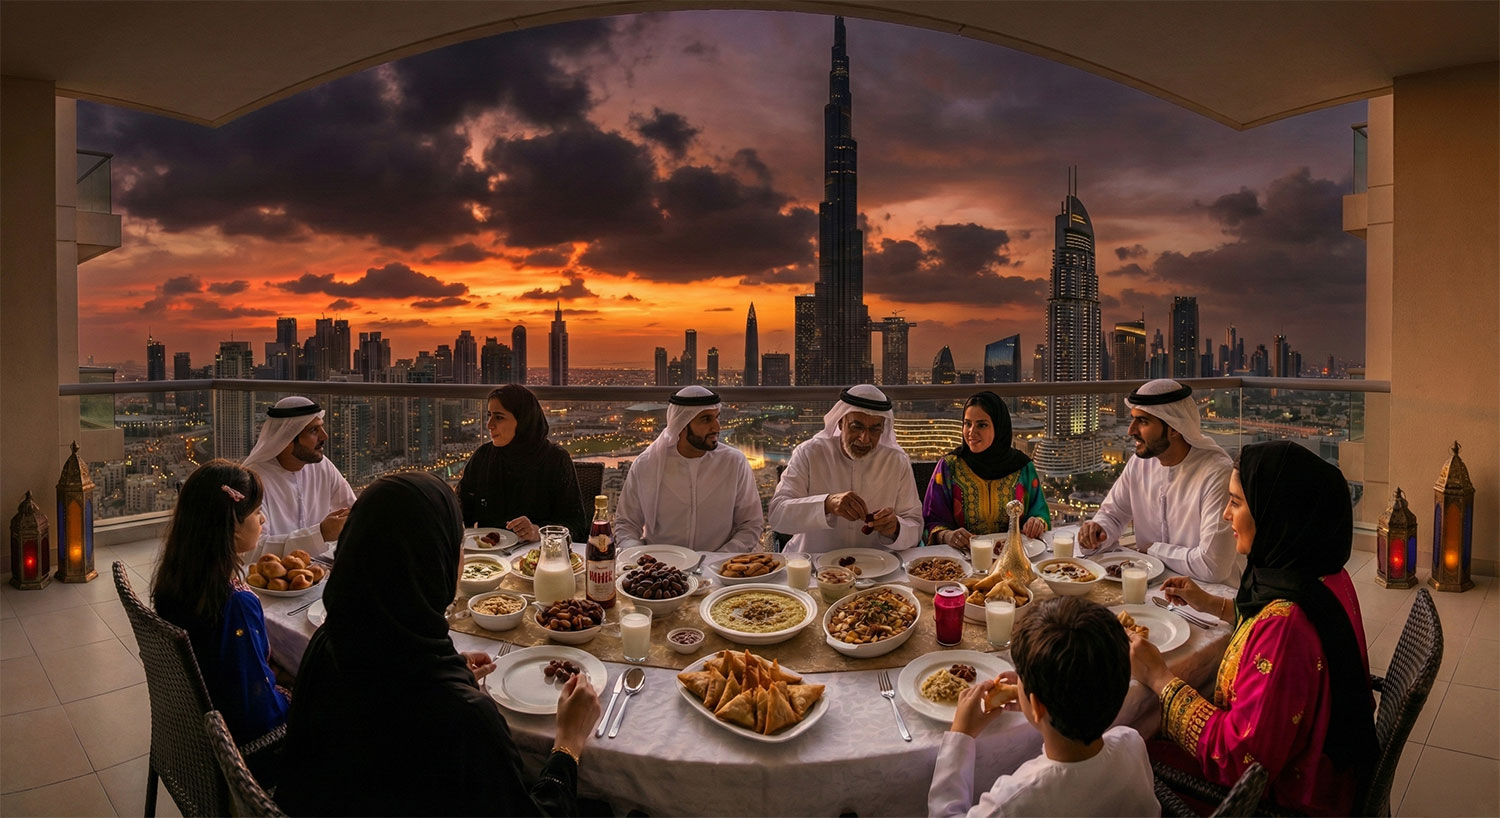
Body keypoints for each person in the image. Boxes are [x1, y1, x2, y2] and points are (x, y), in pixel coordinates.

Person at [278, 472, 601, 816]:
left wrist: (451, 674)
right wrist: (568, 743)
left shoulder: (328, 644)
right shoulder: (463, 718)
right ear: (436, 560)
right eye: (457, 543)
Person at [1130, 440, 1375, 816]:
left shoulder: (1285, 628)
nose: (1226, 515)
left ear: (1276, 513)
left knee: (1128, 753)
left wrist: (1160, 678)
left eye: (1237, 502)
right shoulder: (1324, 576)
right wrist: (1215, 605)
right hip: (1327, 767)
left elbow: (1237, 758)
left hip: (1284, 799)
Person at [929, 596, 1158, 817]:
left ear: (1037, 706)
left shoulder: (1010, 803)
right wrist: (1039, 700)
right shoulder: (1132, 743)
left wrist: (961, 735)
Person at [151, 459, 289, 778]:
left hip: (201, 734)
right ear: (232, 524)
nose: (263, 520)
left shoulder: (177, 580)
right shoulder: (235, 604)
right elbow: (259, 715)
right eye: (256, 513)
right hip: (252, 757)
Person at [1078, 379, 1240, 585]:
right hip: (1150, 584)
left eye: (1143, 421)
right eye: (1133, 419)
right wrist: (1098, 531)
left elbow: (1212, 565)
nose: (1131, 430)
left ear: (1174, 428)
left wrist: (1153, 550)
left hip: (1208, 597)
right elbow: (1113, 514)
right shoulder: (1139, 463)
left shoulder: (1216, 472)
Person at [769, 384, 922, 553]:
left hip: (879, 571)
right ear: (841, 423)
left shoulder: (896, 461)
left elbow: (915, 526)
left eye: (874, 430)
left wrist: (896, 528)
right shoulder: (809, 453)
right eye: (857, 427)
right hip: (812, 567)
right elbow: (777, 515)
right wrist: (827, 504)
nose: (865, 439)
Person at [614, 385, 763, 552]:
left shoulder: (734, 462)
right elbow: (626, 524)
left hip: (718, 569)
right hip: (660, 569)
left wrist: (719, 560)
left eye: (716, 418)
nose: (716, 427)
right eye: (706, 420)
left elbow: (751, 524)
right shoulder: (646, 465)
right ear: (682, 424)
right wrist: (638, 557)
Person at [458, 384, 588, 544]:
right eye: (489, 415)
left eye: (498, 417)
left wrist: (537, 532)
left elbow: (577, 526)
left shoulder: (555, 459)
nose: (489, 425)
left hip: (538, 560)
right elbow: (461, 508)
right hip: (491, 561)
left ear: (523, 421)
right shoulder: (483, 457)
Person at [924, 391, 1050, 550]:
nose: (971, 432)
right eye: (967, 423)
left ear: (999, 427)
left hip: (1016, 560)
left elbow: (1040, 512)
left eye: (981, 425)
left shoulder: (1023, 468)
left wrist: (1037, 522)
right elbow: (931, 521)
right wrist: (947, 535)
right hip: (962, 563)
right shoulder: (949, 467)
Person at [242, 396, 356, 560]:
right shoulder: (253, 479)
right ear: (287, 439)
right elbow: (252, 550)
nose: (324, 436)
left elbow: (353, 511)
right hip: (270, 581)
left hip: (320, 571)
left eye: (321, 428)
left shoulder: (323, 466)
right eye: (314, 431)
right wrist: (320, 534)